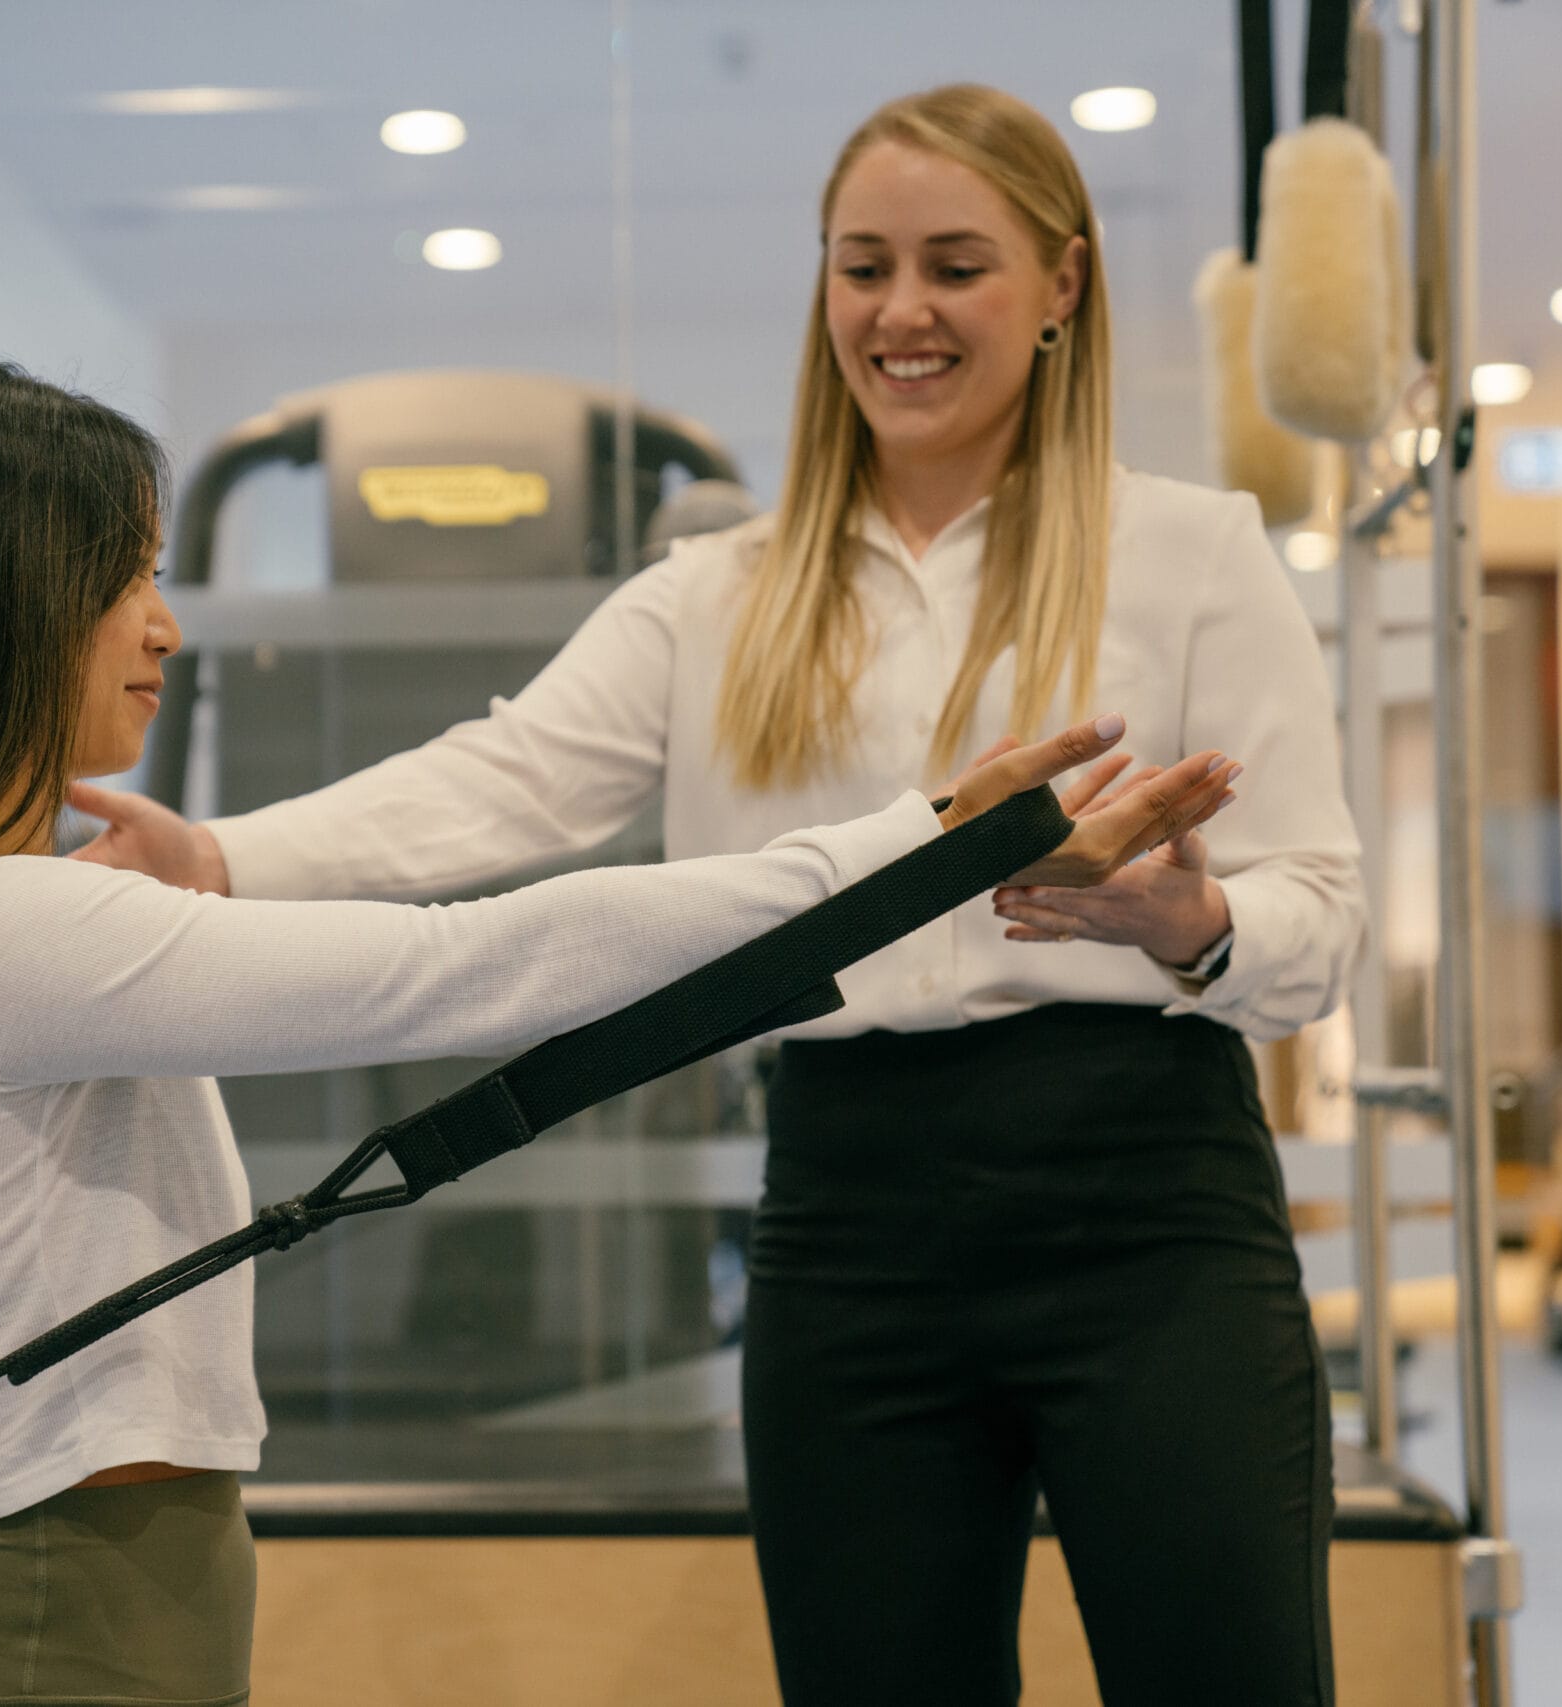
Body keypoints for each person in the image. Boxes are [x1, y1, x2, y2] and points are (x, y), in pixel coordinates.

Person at [72, 84, 1359, 1706]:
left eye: (957, 266)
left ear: (1064, 290)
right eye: (863, 265)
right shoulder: (718, 592)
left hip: (1150, 1203)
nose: (902, 312)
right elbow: (499, 779)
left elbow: (1323, 920)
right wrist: (219, 857)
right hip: (849, 1213)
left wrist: (1193, 926)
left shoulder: (1194, 552)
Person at [0, 362, 1233, 1707]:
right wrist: (922, 841)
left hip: (113, 1591)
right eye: (127, 581)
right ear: (4, 604)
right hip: (54, 1611)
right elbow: (460, 968)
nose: (164, 629)